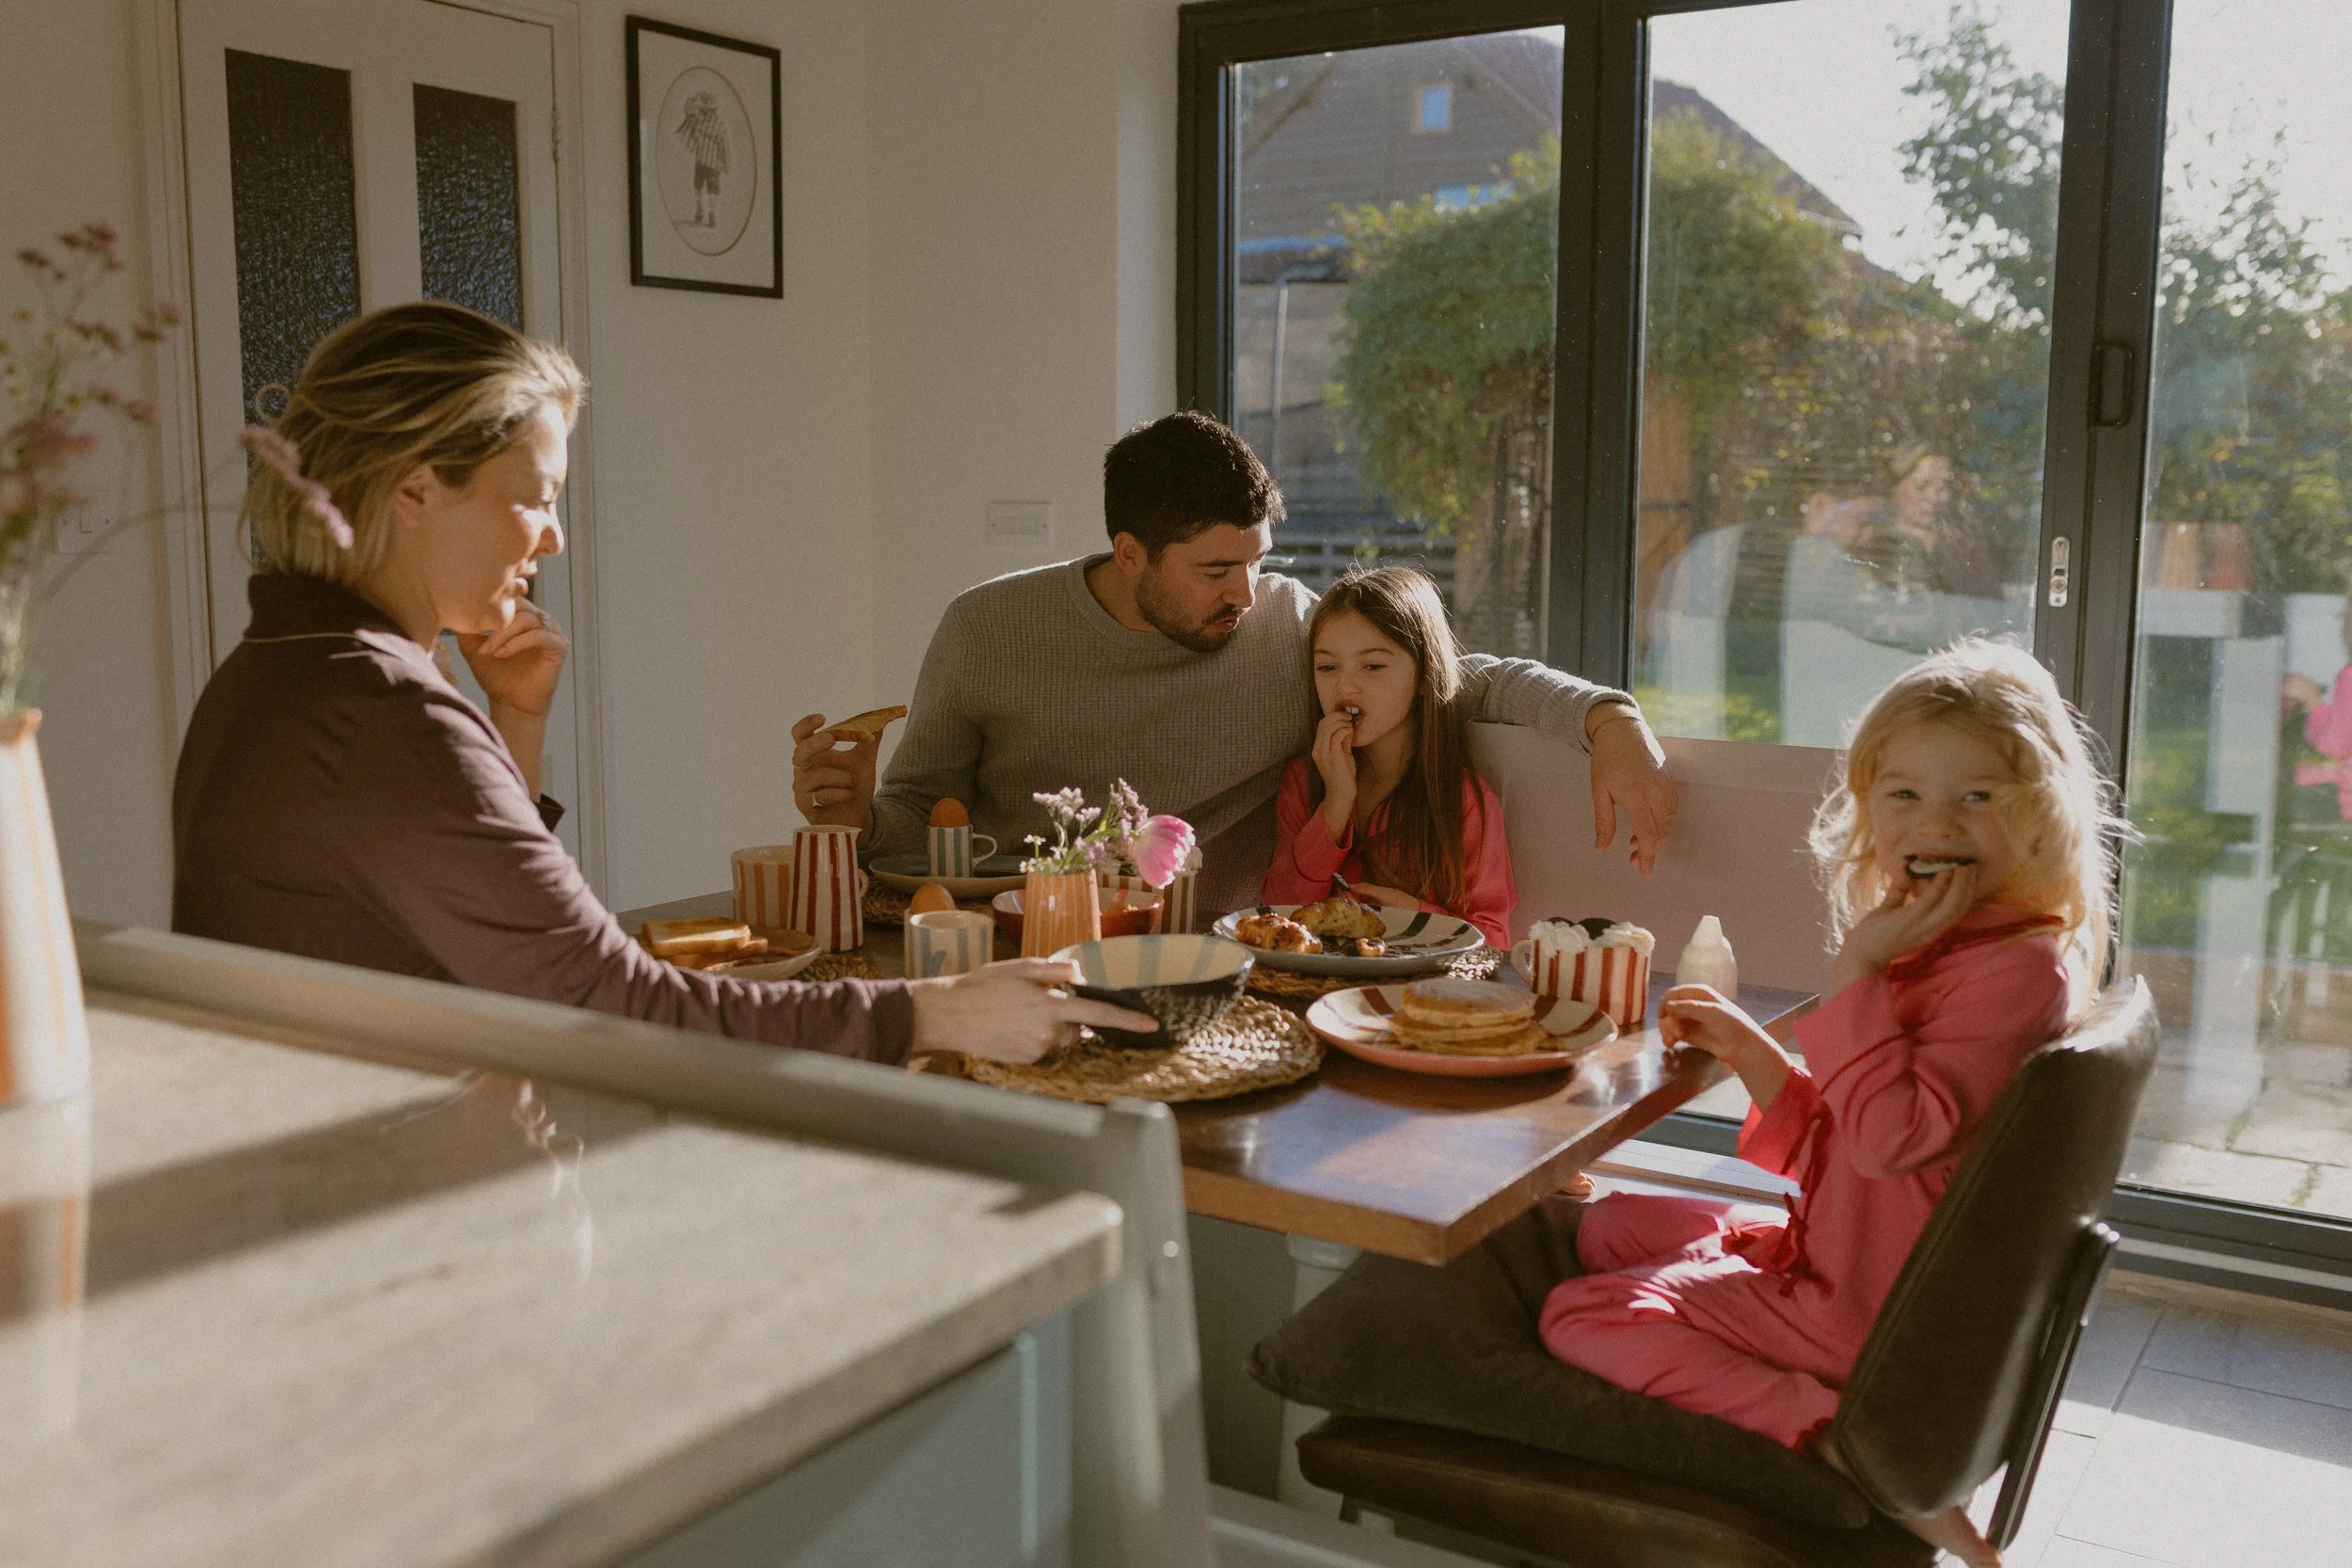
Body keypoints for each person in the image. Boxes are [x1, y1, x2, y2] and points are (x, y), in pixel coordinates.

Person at [172, 302, 1150, 1069]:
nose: (551, 539)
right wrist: (933, 1010)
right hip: (403, 1211)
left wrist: (511, 721)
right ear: (419, 489)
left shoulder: (276, 676)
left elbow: (480, 946)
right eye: (535, 499)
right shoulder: (380, 713)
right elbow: (613, 1004)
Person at [1536, 639, 2119, 1568]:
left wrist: (1852, 972)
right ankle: (1744, 1316)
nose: (1935, 820)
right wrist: (1746, 1045)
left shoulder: (2012, 974)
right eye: (1903, 794)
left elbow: (1886, 1141)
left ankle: (1832, 1429)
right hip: (1840, 1252)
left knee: (1581, 1309)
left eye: (1977, 795)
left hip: (1866, 1313)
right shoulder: (1966, 945)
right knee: (1607, 1225)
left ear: (2040, 814)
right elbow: (1845, 1139)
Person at [792, 411, 1676, 919]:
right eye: (1216, 571)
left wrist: (1608, 716)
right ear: (1131, 552)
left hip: (1223, 966)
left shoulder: (1285, 625)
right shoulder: (988, 628)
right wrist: (860, 816)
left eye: (1257, 560)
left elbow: (1453, 674)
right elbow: (915, 818)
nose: (1248, 595)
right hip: (1016, 944)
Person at [1260, 567, 1515, 947]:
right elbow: (1278, 915)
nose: (1345, 686)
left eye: (1373, 666)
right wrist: (1336, 803)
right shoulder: (1303, 780)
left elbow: (1494, 940)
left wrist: (1414, 918)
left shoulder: (1462, 802)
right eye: (1327, 667)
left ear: (1425, 676)